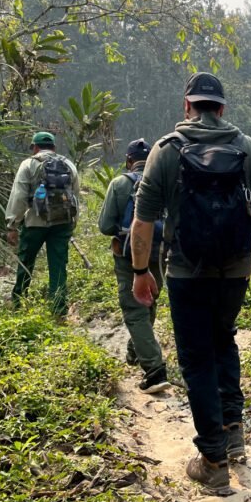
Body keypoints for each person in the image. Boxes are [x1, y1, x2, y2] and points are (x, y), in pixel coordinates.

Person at [129, 72, 251, 495]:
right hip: (236, 272)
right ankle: (233, 431)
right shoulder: (249, 149)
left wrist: (140, 271)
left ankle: (214, 460)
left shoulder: (165, 152)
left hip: (186, 271)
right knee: (224, 341)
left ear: (187, 106)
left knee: (197, 359)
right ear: (221, 109)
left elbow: (143, 220)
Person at [97, 138, 170, 394]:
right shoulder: (163, 183)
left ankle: (154, 369)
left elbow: (105, 226)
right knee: (149, 300)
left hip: (128, 256)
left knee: (134, 308)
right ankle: (135, 350)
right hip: (160, 253)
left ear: (129, 161)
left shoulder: (120, 184)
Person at [5, 131, 81, 318]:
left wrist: (12, 225)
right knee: (58, 265)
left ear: (35, 148)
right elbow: (75, 196)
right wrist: (73, 222)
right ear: (54, 148)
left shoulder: (29, 164)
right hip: (62, 222)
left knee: (26, 262)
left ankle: (18, 302)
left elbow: (19, 196)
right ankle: (58, 308)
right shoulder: (69, 165)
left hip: (34, 222)